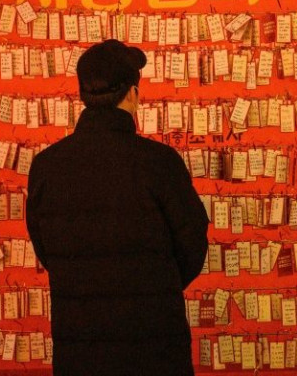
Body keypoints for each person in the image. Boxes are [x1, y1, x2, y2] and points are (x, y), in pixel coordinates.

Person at [26, 39, 210, 376]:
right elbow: (193, 245)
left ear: (84, 95)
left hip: (79, 351)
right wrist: (154, 285)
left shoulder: (46, 167)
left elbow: (47, 250)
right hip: (155, 348)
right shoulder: (160, 164)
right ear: (132, 94)